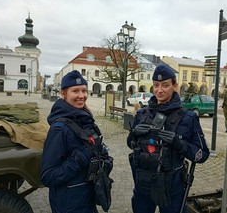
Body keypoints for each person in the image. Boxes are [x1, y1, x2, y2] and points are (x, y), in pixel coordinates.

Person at [127, 64, 210, 213]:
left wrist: (181, 145)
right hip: (143, 185)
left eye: (165, 85)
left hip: (173, 188)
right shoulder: (142, 114)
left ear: (174, 86)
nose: (159, 90)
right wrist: (134, 133)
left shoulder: (188, 118)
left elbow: (202, 155)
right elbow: (131, 144)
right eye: (156, 85)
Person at [41, 70, 112, 213]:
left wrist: (101, 157)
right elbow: (48, 176)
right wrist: (79, 159)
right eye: (75, 91)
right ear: (63, 94)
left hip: (86, 199)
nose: (81, 95)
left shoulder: (84, 119)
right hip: (69, 204)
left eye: (84, 90)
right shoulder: (59, 129)